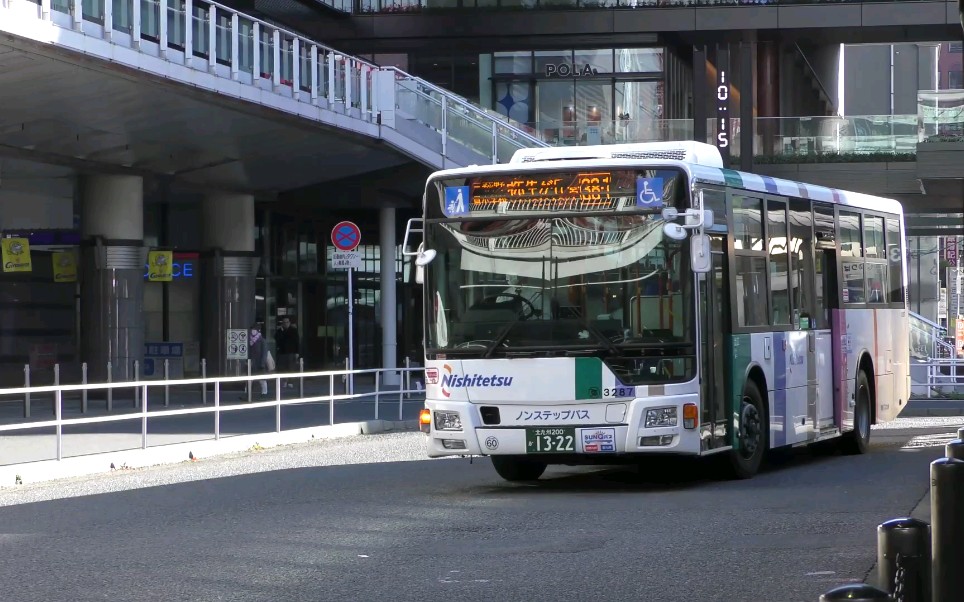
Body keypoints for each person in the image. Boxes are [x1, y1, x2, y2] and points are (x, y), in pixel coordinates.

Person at [243, 323, 269, 400]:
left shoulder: (262, 340)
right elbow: (249, 352)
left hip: (259, 363)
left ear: (258, 331)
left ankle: (264, 393)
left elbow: (264, 353)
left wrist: (262, 363)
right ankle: (248, 395)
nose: (252, 331)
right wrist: (247, 361)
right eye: (252, 329)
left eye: (254, 330)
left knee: (262, 380)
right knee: (249, 380)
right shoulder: (250, 340)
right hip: (252, 364)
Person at [275, 317, 300, 388]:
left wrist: (297, 352)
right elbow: (277, 338)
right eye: (284, 322)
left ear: (289, 323)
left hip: (291, 352)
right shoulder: (280, 331)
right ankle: (285, 381)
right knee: (283, 368)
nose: (285, 324)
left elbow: (297, 342)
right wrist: (281, 331)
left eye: (287, 322)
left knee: (290, 367)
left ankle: (290, 381)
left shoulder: (293, 330)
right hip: (282, 352)